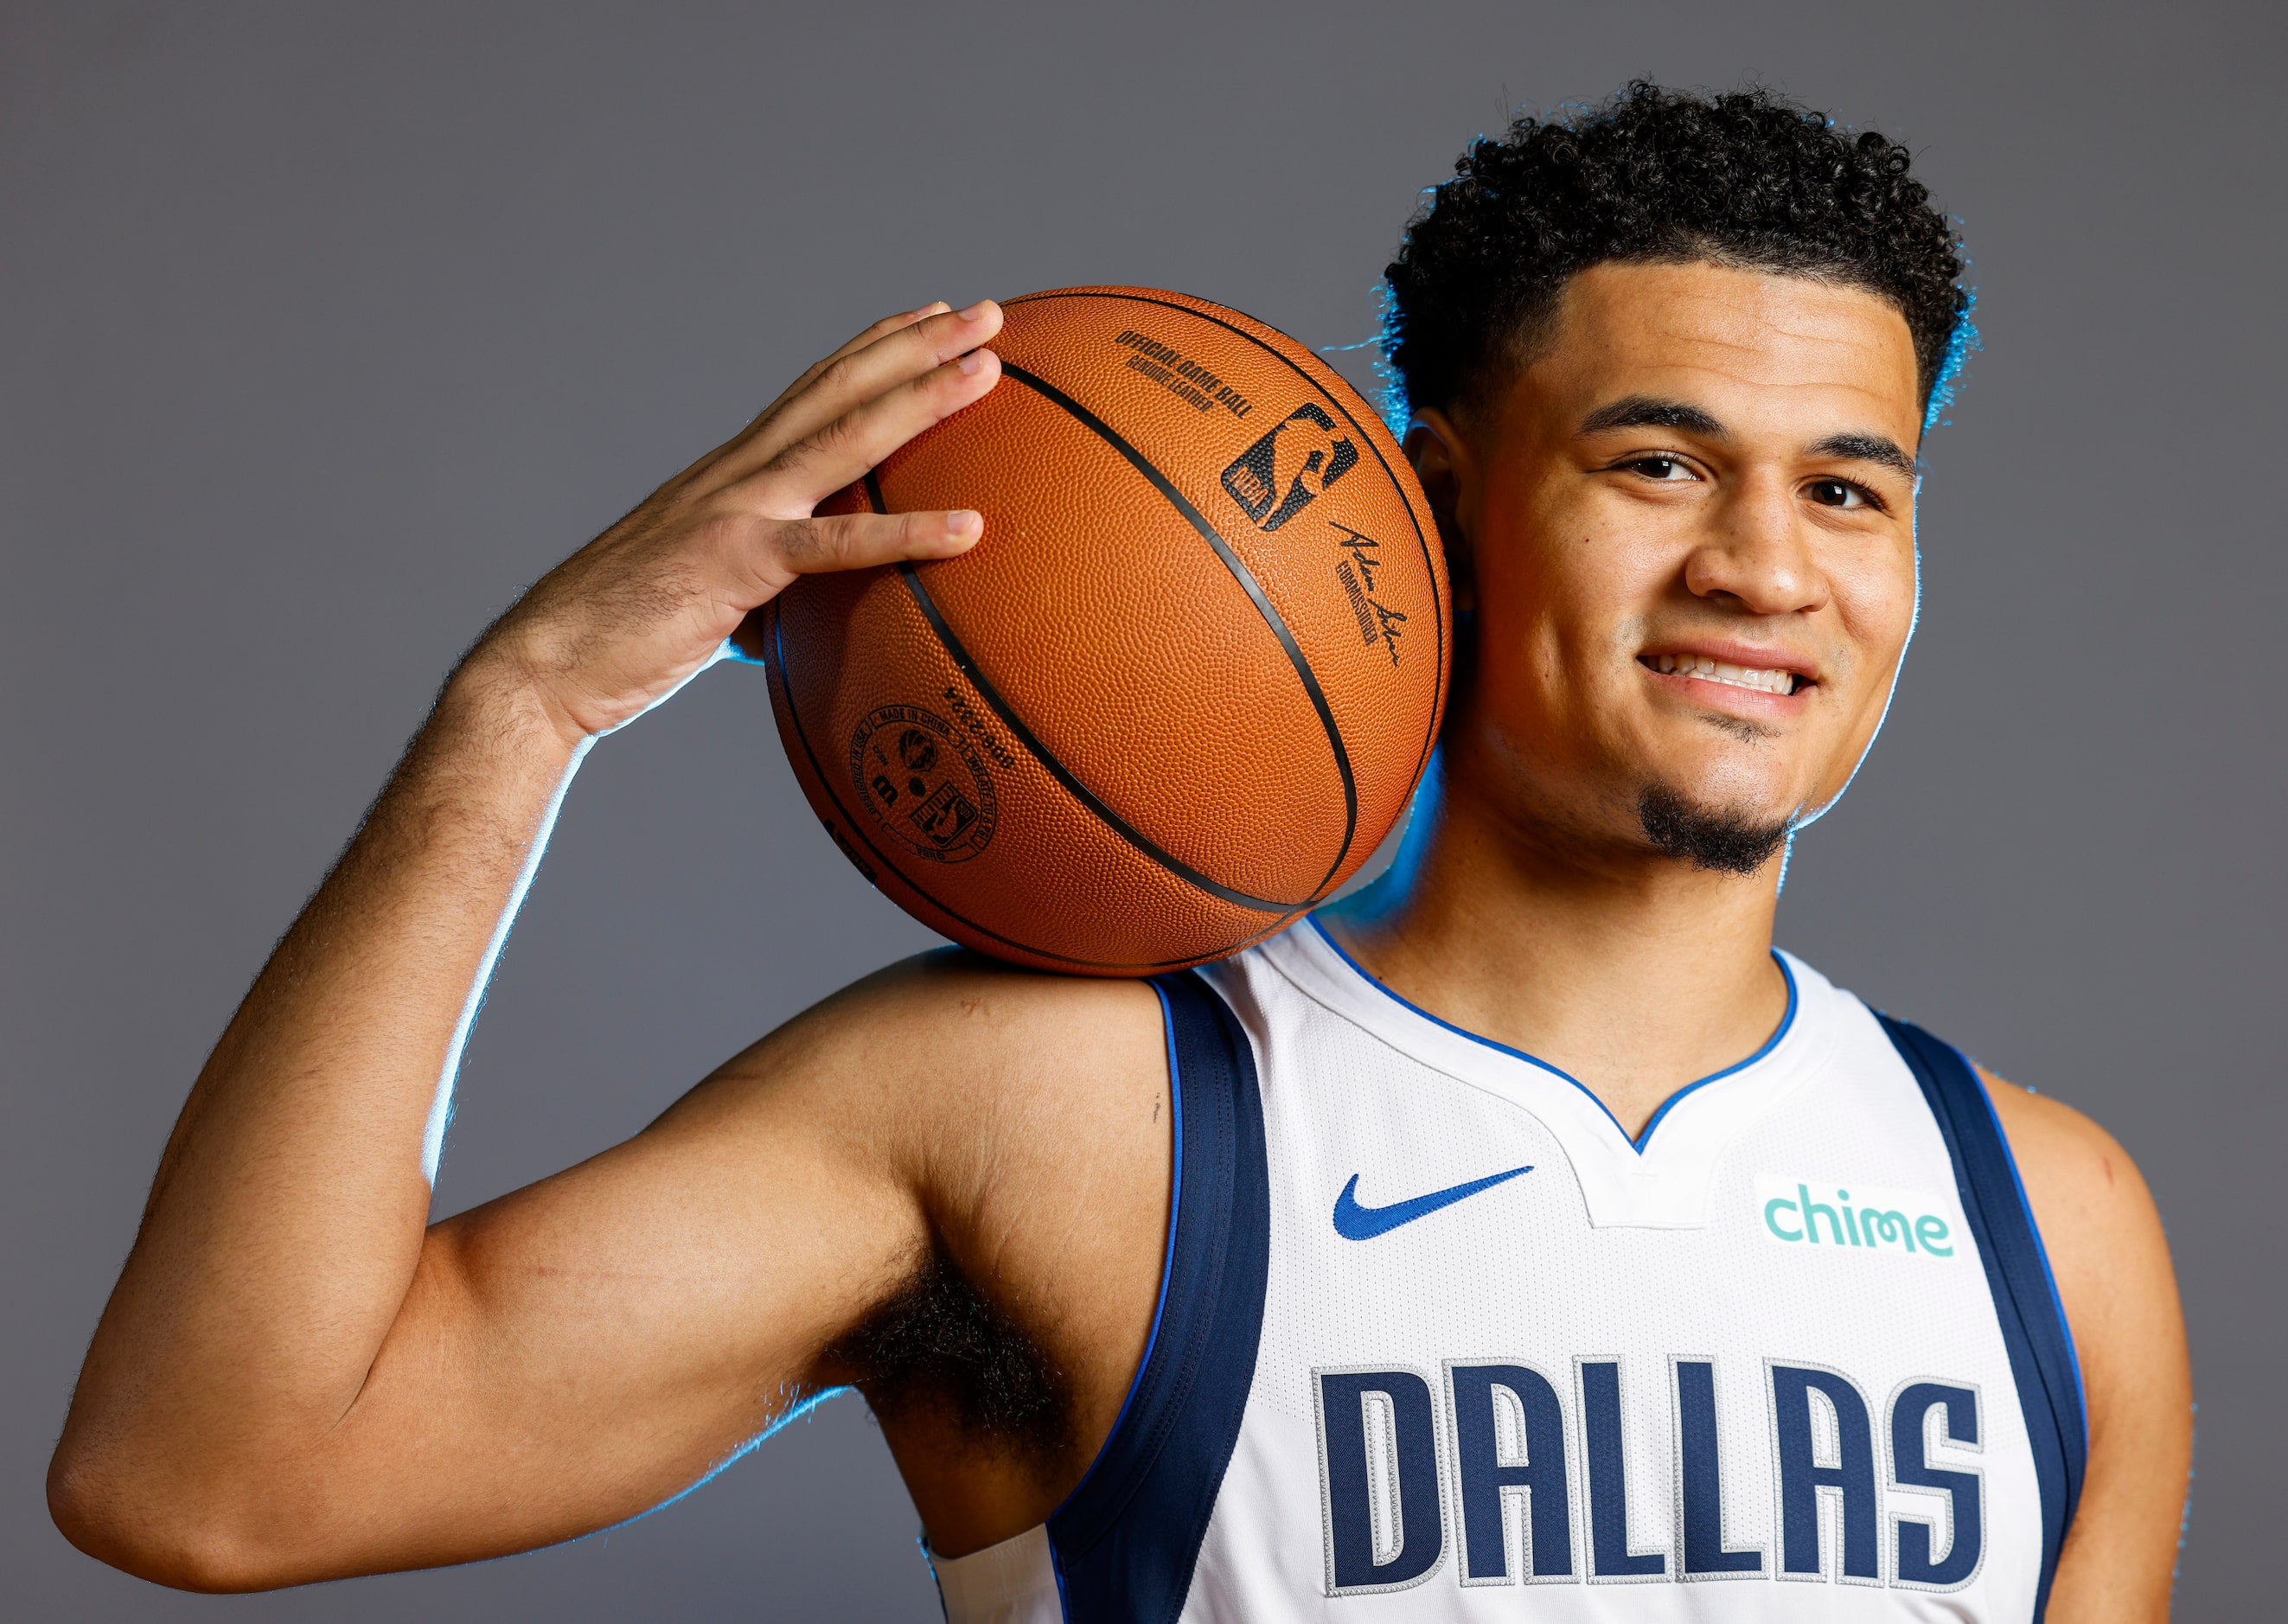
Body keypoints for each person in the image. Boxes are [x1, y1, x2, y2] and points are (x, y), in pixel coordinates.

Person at [48, 83, 2190, 1621]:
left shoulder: (2049, 1216)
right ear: (1428, 510)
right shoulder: (1048, 1110)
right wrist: (518, 717)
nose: (1764, 569)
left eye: (1850, 491)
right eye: (1658, 462)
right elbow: (208, 1473)